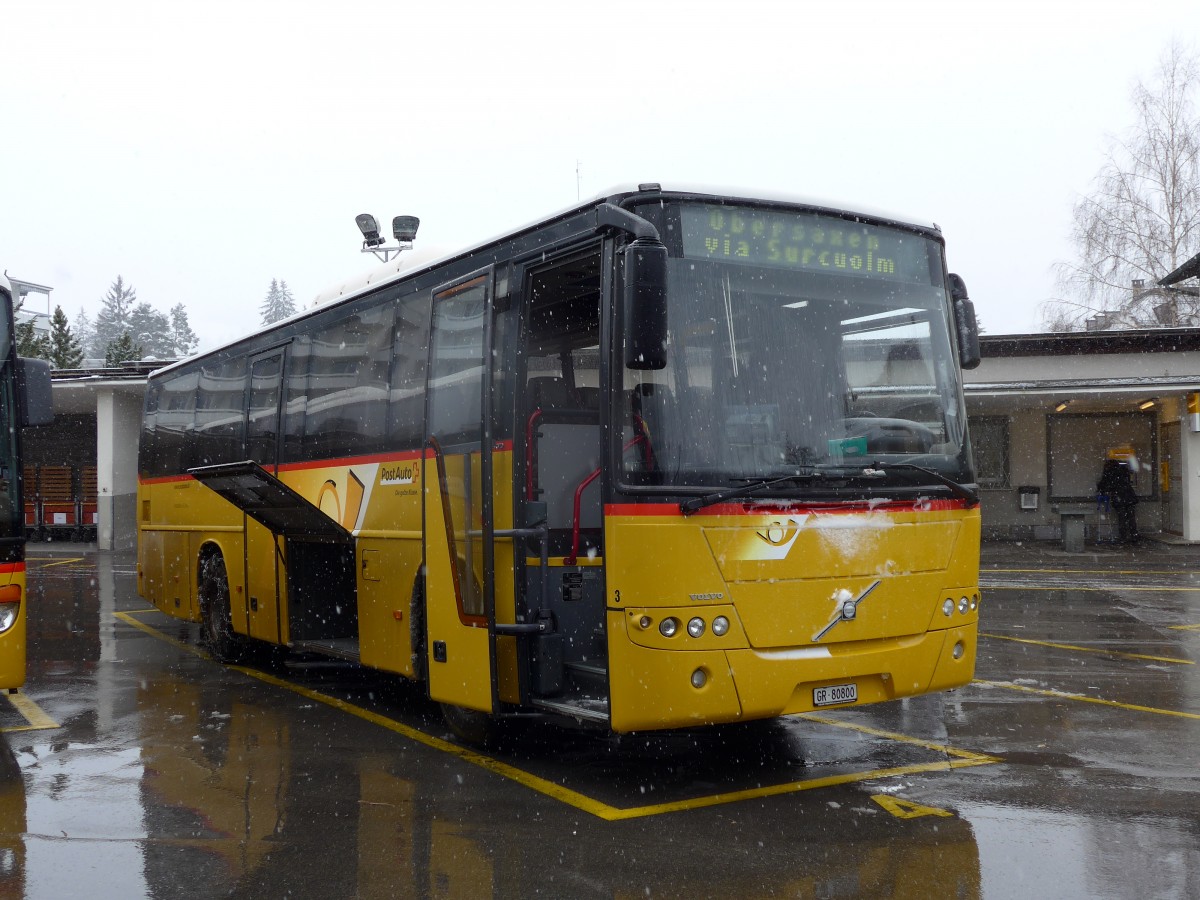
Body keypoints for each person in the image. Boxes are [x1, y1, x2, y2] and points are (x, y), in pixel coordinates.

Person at [1097, 458, 1140, 544]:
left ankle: (1123, 537)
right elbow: (1128, 479)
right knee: (1131, 517)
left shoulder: (1109, 472)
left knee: (1122, 518)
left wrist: (1101, 489)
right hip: (1129, 495)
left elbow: (1104, 484)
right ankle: (1134, 536)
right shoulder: (1123, 469)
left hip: (1119, 496)